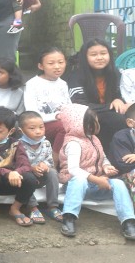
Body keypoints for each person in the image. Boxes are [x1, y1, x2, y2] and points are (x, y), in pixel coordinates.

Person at [57, 103, 135, 240]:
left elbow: (102, 156)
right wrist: (97, 179)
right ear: (80, 124)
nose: (98, 123)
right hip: (76, 186)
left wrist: (106, 166)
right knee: (79, 180)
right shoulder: (74, 143)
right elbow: (73, 169)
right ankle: (69, 217)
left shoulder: (94, 139)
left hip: (96, 184)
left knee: (118, 183)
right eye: (95, 121)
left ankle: (128, 221)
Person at [66, 38, 132, 148]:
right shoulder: (76, 76)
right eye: (93, 54)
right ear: (84, 57)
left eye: (103, 53)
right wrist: (111, 107)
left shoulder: (114, 73)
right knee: (118, 120)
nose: (99, 58)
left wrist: (118, 99)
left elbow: (121, 94)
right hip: (88, 115)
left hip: (110, 112)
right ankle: (116, 156)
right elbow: (79, 104)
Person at [18, 111, 61, 223]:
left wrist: (45, 166)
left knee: (52, 172)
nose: (38, 131)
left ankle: (53, 206)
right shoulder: (18, 145)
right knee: (24, 176)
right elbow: (17, 165)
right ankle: (32, 207)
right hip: (27, 178)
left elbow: (50, 160)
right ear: (21, 130)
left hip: (41, 176)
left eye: (41, 127)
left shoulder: (46, 143)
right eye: (32, 128)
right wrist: (32, 168)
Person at [24, 46, 70, 151]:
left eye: (61, 62)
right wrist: (57, 116)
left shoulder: (63, 84)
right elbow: (32, 113)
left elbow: (69, 106)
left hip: (62, 122)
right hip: (40, 125)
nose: (57, 66)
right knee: (63, 127)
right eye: (51, 63)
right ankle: (55, 158)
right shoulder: (32, 84)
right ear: (41, 66)